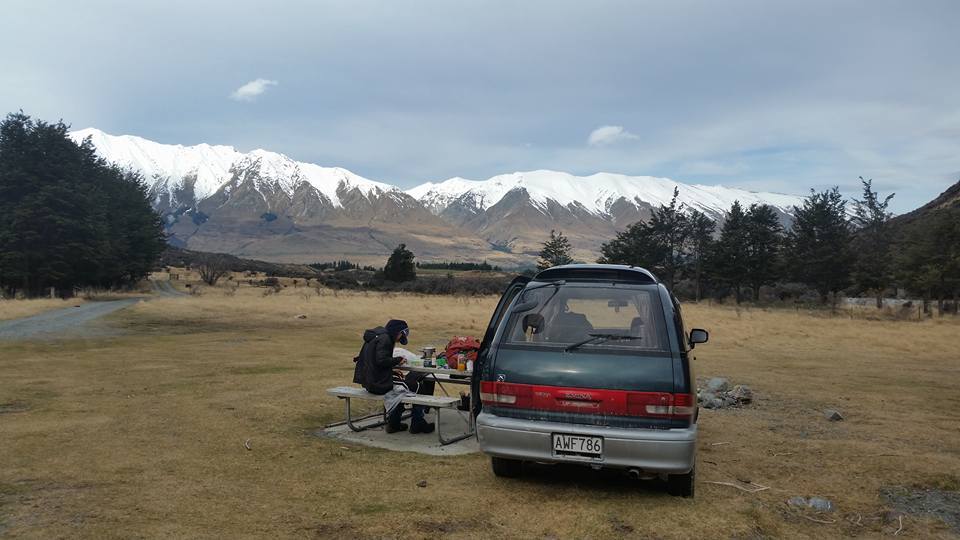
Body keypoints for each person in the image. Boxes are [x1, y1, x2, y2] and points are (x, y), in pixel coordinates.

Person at [353, 319, 436, 434]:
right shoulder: (385, 339)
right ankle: (417, 423)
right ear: (398, 332)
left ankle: (394, 423)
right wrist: (398, 360)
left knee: (404, 388)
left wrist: (392, 372)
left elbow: (374, 363)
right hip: (377, 383)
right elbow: (381, 360)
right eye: (400, 337)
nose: (398, 341)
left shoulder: (377, 336)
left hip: (370, 380)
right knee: (417, 387)